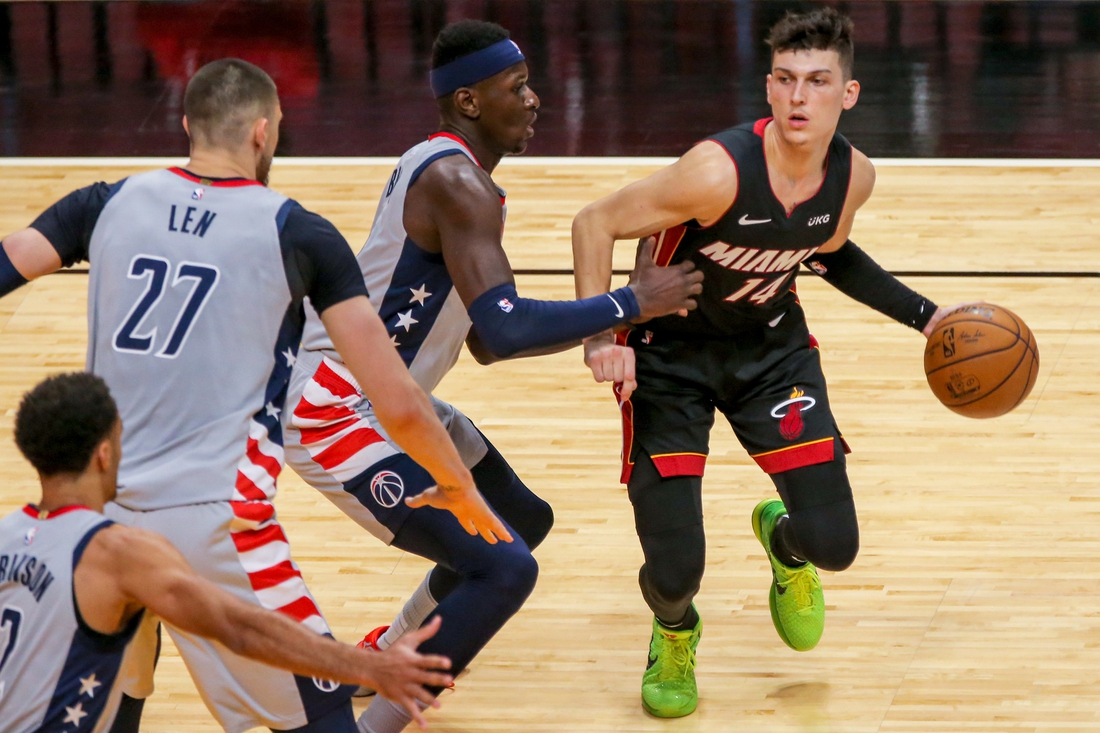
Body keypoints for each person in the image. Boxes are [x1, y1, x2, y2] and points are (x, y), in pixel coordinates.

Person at [0, 58, 509, 733]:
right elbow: (396, 399)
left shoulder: (104, 202)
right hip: (214, 520)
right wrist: (458, 484)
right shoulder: (299, 232)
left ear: (186, 125)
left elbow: (10, 261)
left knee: (111, 707)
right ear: (264, 132)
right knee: (326, 720)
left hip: (102, 514)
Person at [283, 20, 702, 733]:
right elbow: (505, 328)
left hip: (397, 399)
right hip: (336, 408)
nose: (536, 100)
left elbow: (481, 340)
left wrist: (601, 327)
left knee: (523, 522)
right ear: (469, 102)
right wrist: (630, 301)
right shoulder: (455, 181)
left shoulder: (454, 174)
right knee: (503, 568)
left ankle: (390, 649)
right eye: (518, 88)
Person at [572, 8, 965, 719]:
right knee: (674, 570)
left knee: (834, 545)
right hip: (669, 357)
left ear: (848, 94)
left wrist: (925, 315)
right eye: (785, 79)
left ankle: (782, 540)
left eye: (817, 81)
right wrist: (601, 338)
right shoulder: (714, 172)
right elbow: (594, 220)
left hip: (771, 354)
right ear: (769, 85)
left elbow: (830, 250)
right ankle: (675, 630)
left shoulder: (853, 177)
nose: (797, 97)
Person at [0, 372, 454, 732]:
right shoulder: (116, 552)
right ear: (104, 453)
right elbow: (239, 628)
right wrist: (371, 667)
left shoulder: (6, 535)